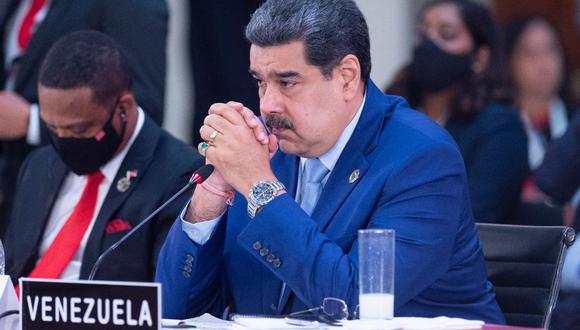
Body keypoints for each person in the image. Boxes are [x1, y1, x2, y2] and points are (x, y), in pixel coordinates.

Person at [156, 0, 504, 324]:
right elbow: (176, 314)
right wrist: (209, 200)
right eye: (261, 82)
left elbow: (357, 306)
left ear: (347, 77)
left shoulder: (422, 157)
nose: (267, 105)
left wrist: (261, 188)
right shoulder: (263, 149)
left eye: (287, 82)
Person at [3, 31, 202, 285]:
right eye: (52, 129)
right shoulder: (39, 164)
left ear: (124, 108)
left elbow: (171, 292)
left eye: (78, 130)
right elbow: (11, 266)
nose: (63, 142)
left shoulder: (179, 175)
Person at [0, 0, 168, 233]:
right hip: (18, 195)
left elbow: (142, 111)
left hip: (84, 199)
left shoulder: (130, 6)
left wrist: (32, 122)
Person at [386, 0, 528, 223]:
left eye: (447, 34)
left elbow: (478, 214)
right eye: (422, 32)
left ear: (480, 57)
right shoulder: (393, 112)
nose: (429, 44)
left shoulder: (499, 126)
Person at [504, 16, 578, 226]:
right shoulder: (498, 128)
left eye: (551, 50)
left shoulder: (575, 119)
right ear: (509, 60)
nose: (544, 63)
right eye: (530, 54)